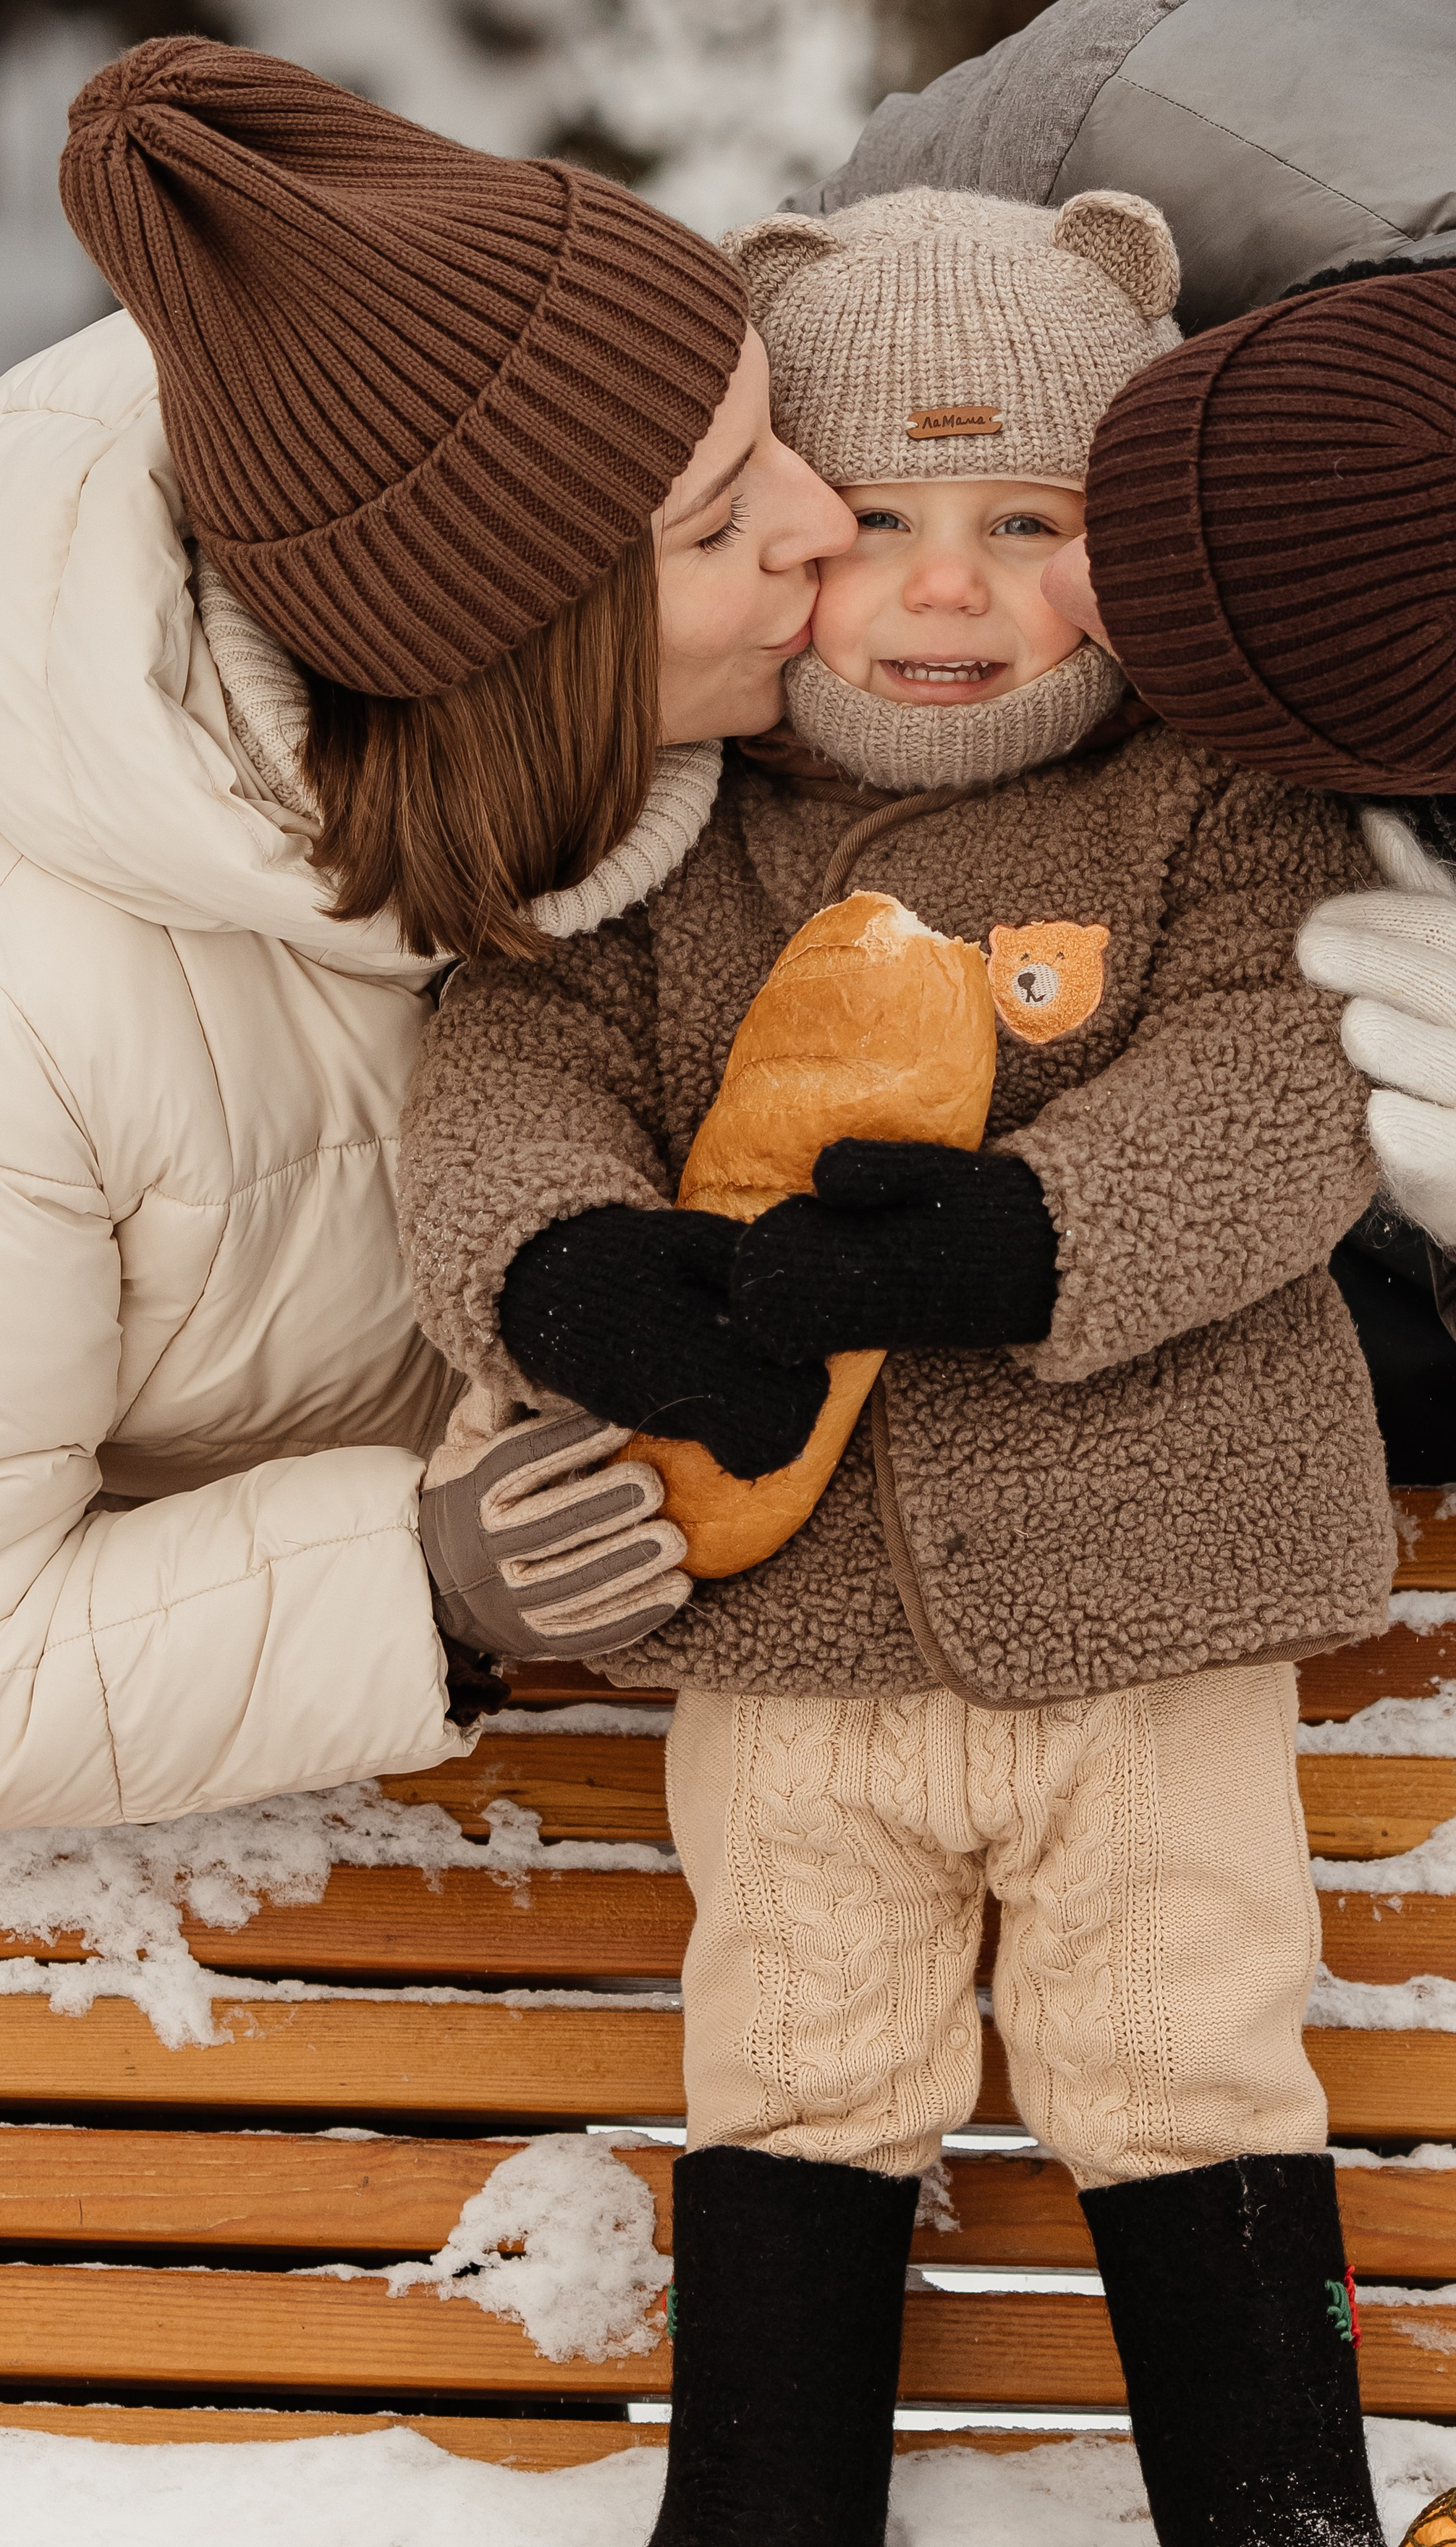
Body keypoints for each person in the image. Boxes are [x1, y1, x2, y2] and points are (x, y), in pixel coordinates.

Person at [399, 185, 1413, 2547]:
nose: (945, 593)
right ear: (772, 539)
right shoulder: (669, 826)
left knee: (1184, 2029)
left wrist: (1028, 1238)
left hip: (1150, 1594)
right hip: (795, 1609)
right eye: (873, 526)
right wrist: (563, 1273)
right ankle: (763, 2538)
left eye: (1033, 523)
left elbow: (1293, 1083)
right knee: (794, 2036)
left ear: (1129, 547)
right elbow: (498, 1063)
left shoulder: (1216, 807)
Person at [803, 0, 1456, 1507]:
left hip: (1418, 1251)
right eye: (1114, 491)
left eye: (1179, 644)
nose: (1064, 590)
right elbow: (765, 391)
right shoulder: (1147, 109)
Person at [0, 37, 848, 1826]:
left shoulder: (696, 738)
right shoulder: (38, 1017)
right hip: (248, 1891)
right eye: (723, 517)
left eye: (777, 438)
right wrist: (420, 1579)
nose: (825, 522)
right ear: (529, 653)